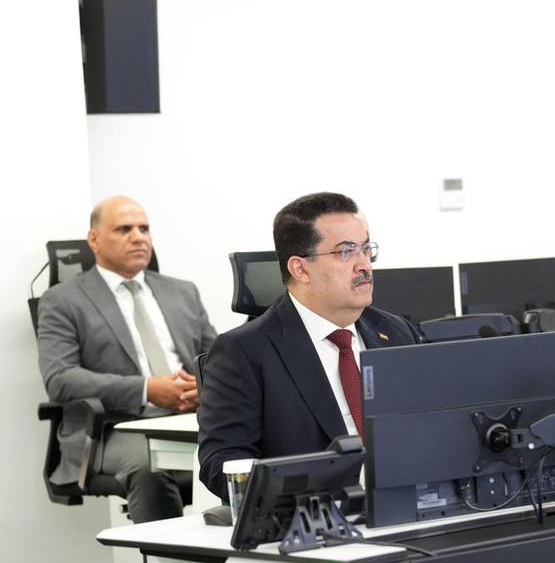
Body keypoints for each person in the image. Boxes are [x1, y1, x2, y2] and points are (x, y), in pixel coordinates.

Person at [197, 192, 420, 497]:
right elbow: (222, 463)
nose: (364, 265)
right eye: (346, 252)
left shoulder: (396, 332)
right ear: (300, 269)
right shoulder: (244, 352)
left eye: (367, 249)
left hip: (405, 504)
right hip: (316, 514)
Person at [37, 195, 216, 523]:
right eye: (124, 229)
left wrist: (203, 388)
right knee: (150, 466)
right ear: (94, 239)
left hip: (190, 418)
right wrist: (147, 390)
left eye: (144, 229)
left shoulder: (182, 292)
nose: (138, 237)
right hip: (113, 428)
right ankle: (164, 554)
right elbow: (60, 379)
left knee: (254, 445)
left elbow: (217, 360)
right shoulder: (62, 300)